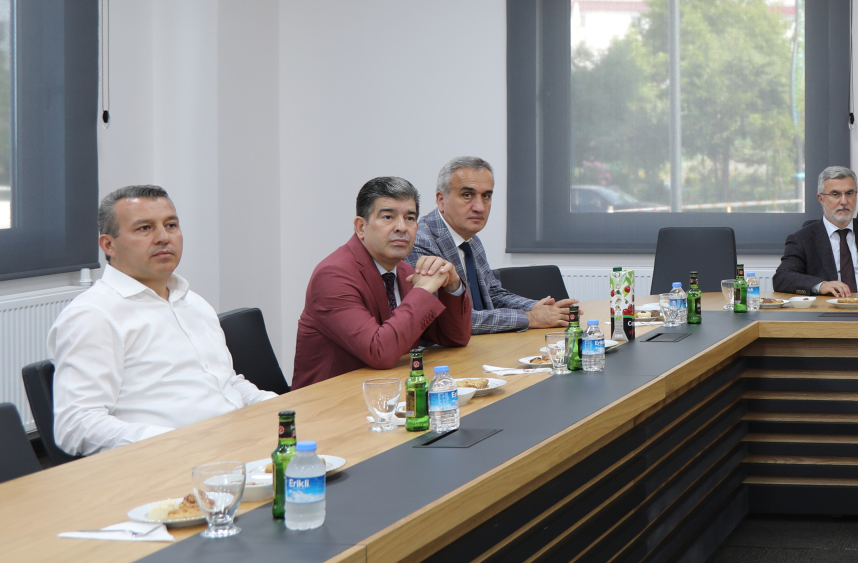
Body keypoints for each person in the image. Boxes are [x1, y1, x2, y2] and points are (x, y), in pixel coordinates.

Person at [46, 185, 277, 457]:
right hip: (167, 459)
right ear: (109, 245)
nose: (163, 237)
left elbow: (226, 383)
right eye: (145, 228)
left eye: (171, 225)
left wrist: (278, 408)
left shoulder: (193, 302)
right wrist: (176, 442)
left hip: (236, 444)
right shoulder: (93, 315)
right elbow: (76, 424)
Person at [292, 176, 472, 387]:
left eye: (410, 218)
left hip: (390, 391)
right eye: (388, 217)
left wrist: (452, 286)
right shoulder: (332, 276)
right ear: (361, 227)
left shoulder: (404, 271)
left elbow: (454, 338)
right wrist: (423, 291)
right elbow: (380, 352)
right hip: (332, 399)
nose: (401, 227)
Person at [412, 155, 577, 333]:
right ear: (441, 200)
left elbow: (492, 293)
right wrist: (530, 317)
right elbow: (444, 320)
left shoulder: (472, 241)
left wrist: (538, 307)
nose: (480, 207)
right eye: (467, 195)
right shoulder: (420, 243)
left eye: (486, 196)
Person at [773, 166, 858, 296]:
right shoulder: (802, 239)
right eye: (835, 194)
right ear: (821, 199)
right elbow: (782, 277)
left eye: (849, 193)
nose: (844, 201)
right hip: (828, 310)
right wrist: (821, 285)